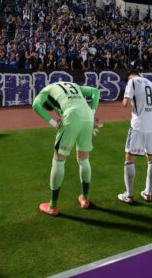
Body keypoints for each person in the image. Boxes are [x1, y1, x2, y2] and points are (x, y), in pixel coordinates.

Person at [32, 80, 100, 216]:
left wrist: (53, 123)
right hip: (88, 116)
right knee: (84, 160)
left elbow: (35, 105)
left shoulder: (46, 91)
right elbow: (95, 91)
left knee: (58, 161)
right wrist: (91, 115)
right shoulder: (73, 85)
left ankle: (52, 206)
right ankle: (85, 199)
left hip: (71, 116)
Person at [118, 71, 152, 203]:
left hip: (138, 125)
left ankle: (129, 195)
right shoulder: (151, 84)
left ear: (130, 77)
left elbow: (125, 103)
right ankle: (148, 193)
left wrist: (126, 99)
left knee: (129, 159)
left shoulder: (132, 82)